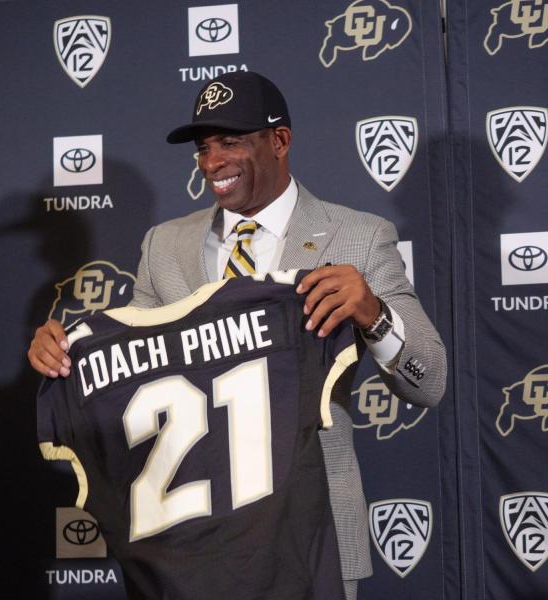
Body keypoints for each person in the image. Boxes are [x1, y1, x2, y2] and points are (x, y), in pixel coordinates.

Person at [29, 71, 446, 600]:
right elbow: (127, 373)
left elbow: (429, 380)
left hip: (309, 538)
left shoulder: (357, 237)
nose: (211, 162)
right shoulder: (166, 245)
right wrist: (69, 356)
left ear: (280, 141)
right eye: (203, 148)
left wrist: (374, 315)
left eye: (231, 142)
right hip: (190, 547)